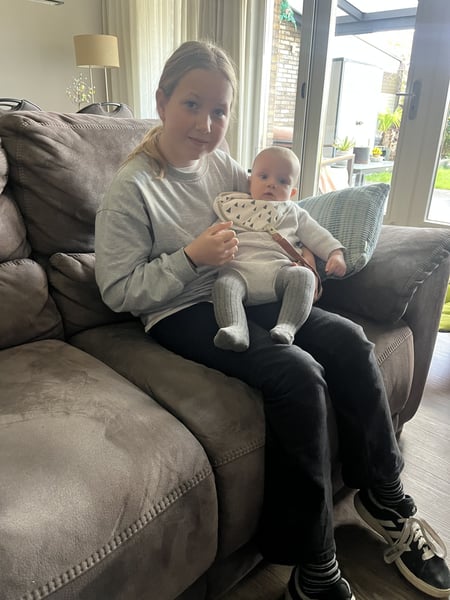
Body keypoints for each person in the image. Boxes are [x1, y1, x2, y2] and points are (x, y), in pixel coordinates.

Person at [95, 40, 450, 600]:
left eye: (219, 111)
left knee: (350, 340)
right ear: (162, 101)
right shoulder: (132, 189)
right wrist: (190, 258)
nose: (206, 124)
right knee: (298, 374)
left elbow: (273, 210)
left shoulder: (222, 164)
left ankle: (384, 497)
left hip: (248, 286)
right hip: (180, 309)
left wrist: (299, 251)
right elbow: (118, 292)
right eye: (192, 104)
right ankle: (314, 567)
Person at [211, 146, 346, 352]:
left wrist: (335, 253)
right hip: (238, 272)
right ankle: (235, 328)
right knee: (223, 285)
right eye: (264, 176)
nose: (272, 184)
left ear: (292, 192)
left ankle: (287, 326)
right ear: (250, 182)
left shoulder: (294, 212)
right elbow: (214, 235)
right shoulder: (233, 207)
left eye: (282, 181)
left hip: (280, 273)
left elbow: (317, 235)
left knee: (304, 276)